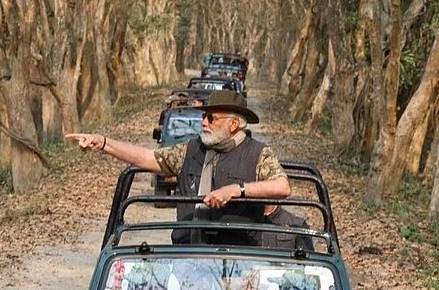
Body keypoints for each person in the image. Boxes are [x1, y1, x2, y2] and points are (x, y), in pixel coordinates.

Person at [68, 90, 290, 243]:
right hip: (186, 255)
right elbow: (148, 158)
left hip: (239, 259)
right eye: (203, 116)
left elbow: (282, 186)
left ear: (233, 124)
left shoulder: (257, 153)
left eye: (211, 118)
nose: (203, 122)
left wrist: (237, 190)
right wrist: (104, 143)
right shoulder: (191, 149)